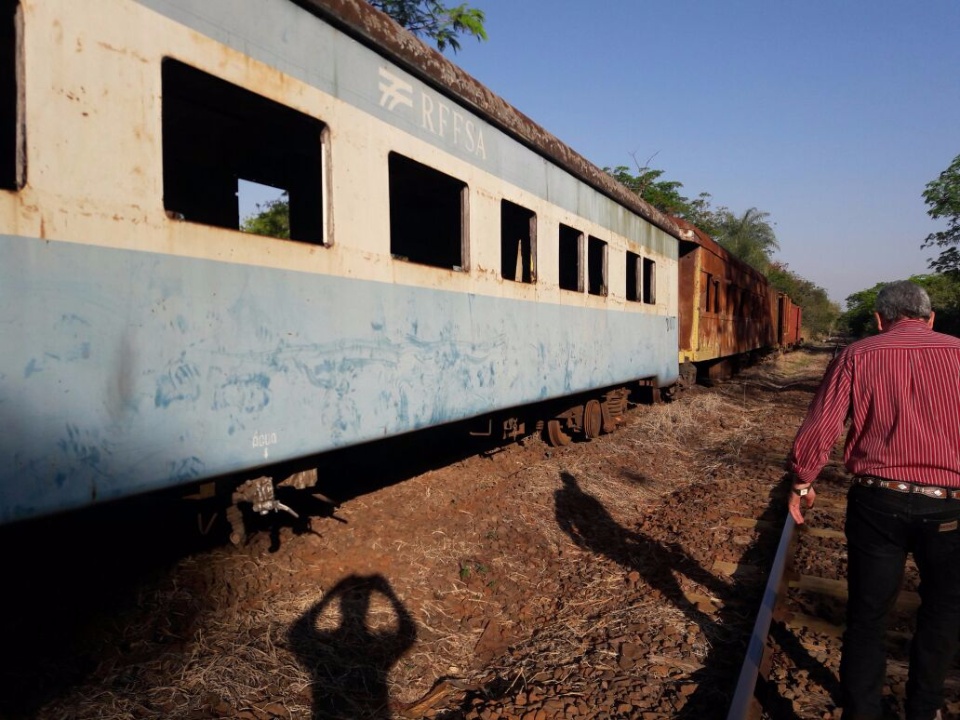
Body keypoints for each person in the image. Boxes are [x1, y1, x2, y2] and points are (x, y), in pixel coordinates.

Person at [787, 280, 960, 720]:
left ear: (879, 319)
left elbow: (821, 426)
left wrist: (803, 480)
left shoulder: (858, 355)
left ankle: (862, 712)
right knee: (943, 615)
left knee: (868, 615)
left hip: (878, 503)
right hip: (951, 507)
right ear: (931, 318)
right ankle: (923, 710)